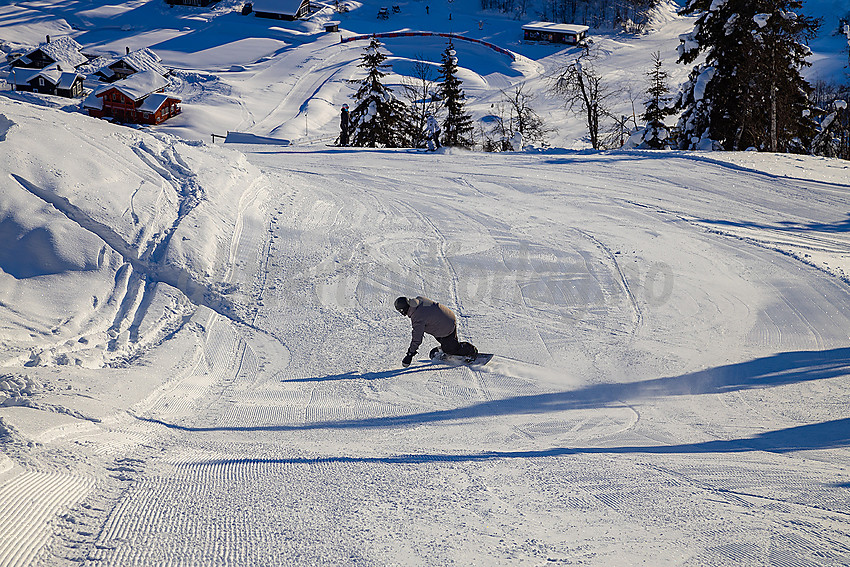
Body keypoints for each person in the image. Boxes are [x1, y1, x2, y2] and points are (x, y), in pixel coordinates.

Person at [395, 296, 477, 367]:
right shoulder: (419, 300)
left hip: (446, 325)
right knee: (445, 341)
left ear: (403, 310)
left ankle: (470, 351)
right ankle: (447, 346)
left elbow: (417, 337)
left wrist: (410, 354)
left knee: (451, 349)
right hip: (445, 318)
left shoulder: (417, 317)